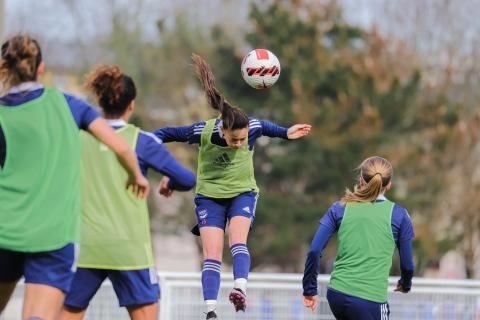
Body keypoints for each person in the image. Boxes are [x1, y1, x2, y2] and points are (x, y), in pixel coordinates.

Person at [0, 34, 149, 320]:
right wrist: (136, 176)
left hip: (5, 231)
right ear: (41, 68)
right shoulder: (68, 105)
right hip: (53, 236)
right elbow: (120, 146)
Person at [154, 54, 311, 319]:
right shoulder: (201, 131)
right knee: (212, 254)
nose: (240, 143)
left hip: (242, 193)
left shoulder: (253, 128)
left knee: (237, 240)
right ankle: (211, 312)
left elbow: (270, 128)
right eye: (234, 140)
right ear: (223, 130)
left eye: (243, 139)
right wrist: (161, 164)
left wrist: (286, 132)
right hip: (209, 198)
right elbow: (163, 134)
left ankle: (240, 289)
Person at [59, 65, 196, 320]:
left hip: (86, 245)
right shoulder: (141, 141)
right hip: (129, 248)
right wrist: (169, 182)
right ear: (131, 105)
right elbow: (187, 179)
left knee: (68, 313)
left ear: (98, 101)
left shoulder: (77, 138)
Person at [302, 156, 414, 320]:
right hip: (371, 300)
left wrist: (309, 289)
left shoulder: (340, 207)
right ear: (389, 184)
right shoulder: (399, 215)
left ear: (361, 180)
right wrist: (405, 284)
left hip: (336, 295)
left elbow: (314, 250)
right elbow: (408, 265)